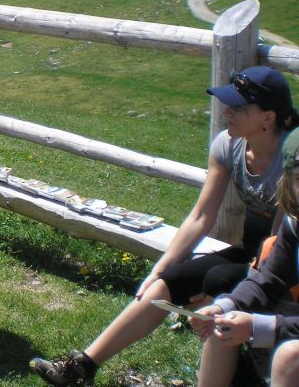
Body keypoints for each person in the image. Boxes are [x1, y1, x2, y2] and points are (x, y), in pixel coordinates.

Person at [30, 65, 298, 386]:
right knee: (168, 281)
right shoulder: (228, 145)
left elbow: (278, 252)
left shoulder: (293, 162)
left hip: (281, 259)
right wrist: (160, 268)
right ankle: (83, 366)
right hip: (254, 248)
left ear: (267, 118)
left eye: (239, 107)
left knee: (216, 281)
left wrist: (220, 301)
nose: (227, 112)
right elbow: (201, 216)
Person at [194, 128, 299, 387]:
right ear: (288, 183)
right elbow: (269, 277)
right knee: (225, 324)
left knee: (291, 356)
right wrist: (225, 307)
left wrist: (258, 327)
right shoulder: (295, 223)